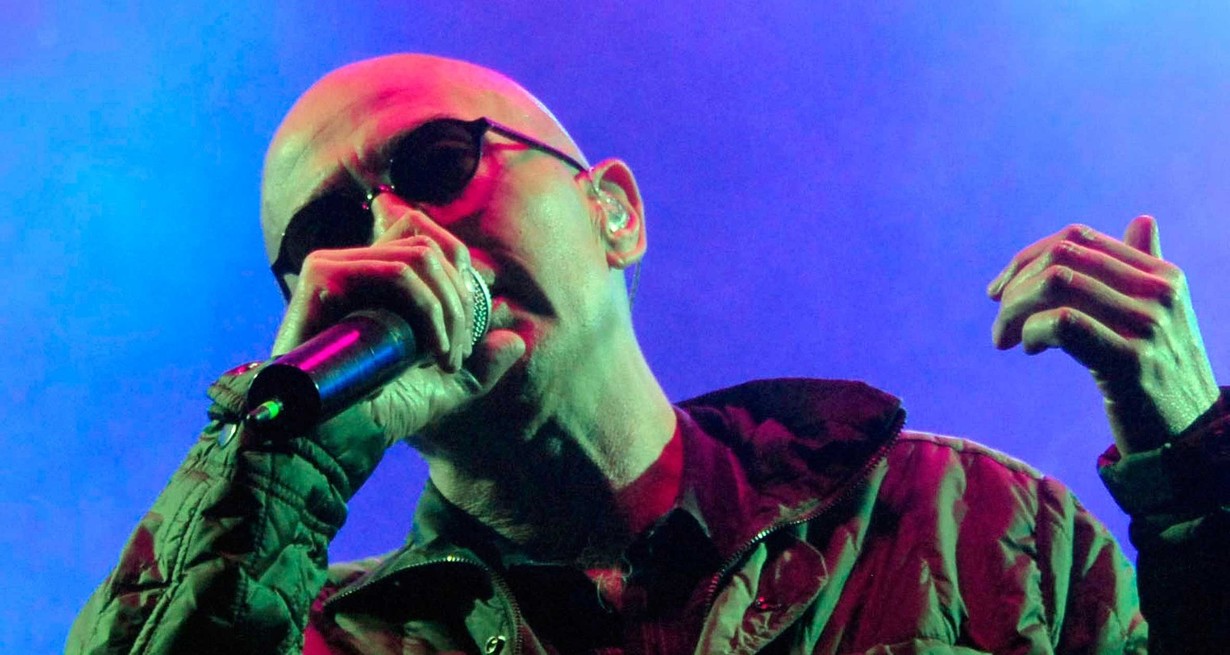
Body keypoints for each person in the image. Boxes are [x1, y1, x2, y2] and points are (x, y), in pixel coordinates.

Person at [68, 54, 1229, 654]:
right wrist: (279, 450)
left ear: (613, 213)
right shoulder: (325, 639)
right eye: (329, 234)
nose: (396, 237)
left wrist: (1199, 484)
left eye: (438, 165)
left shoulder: (969, 525)